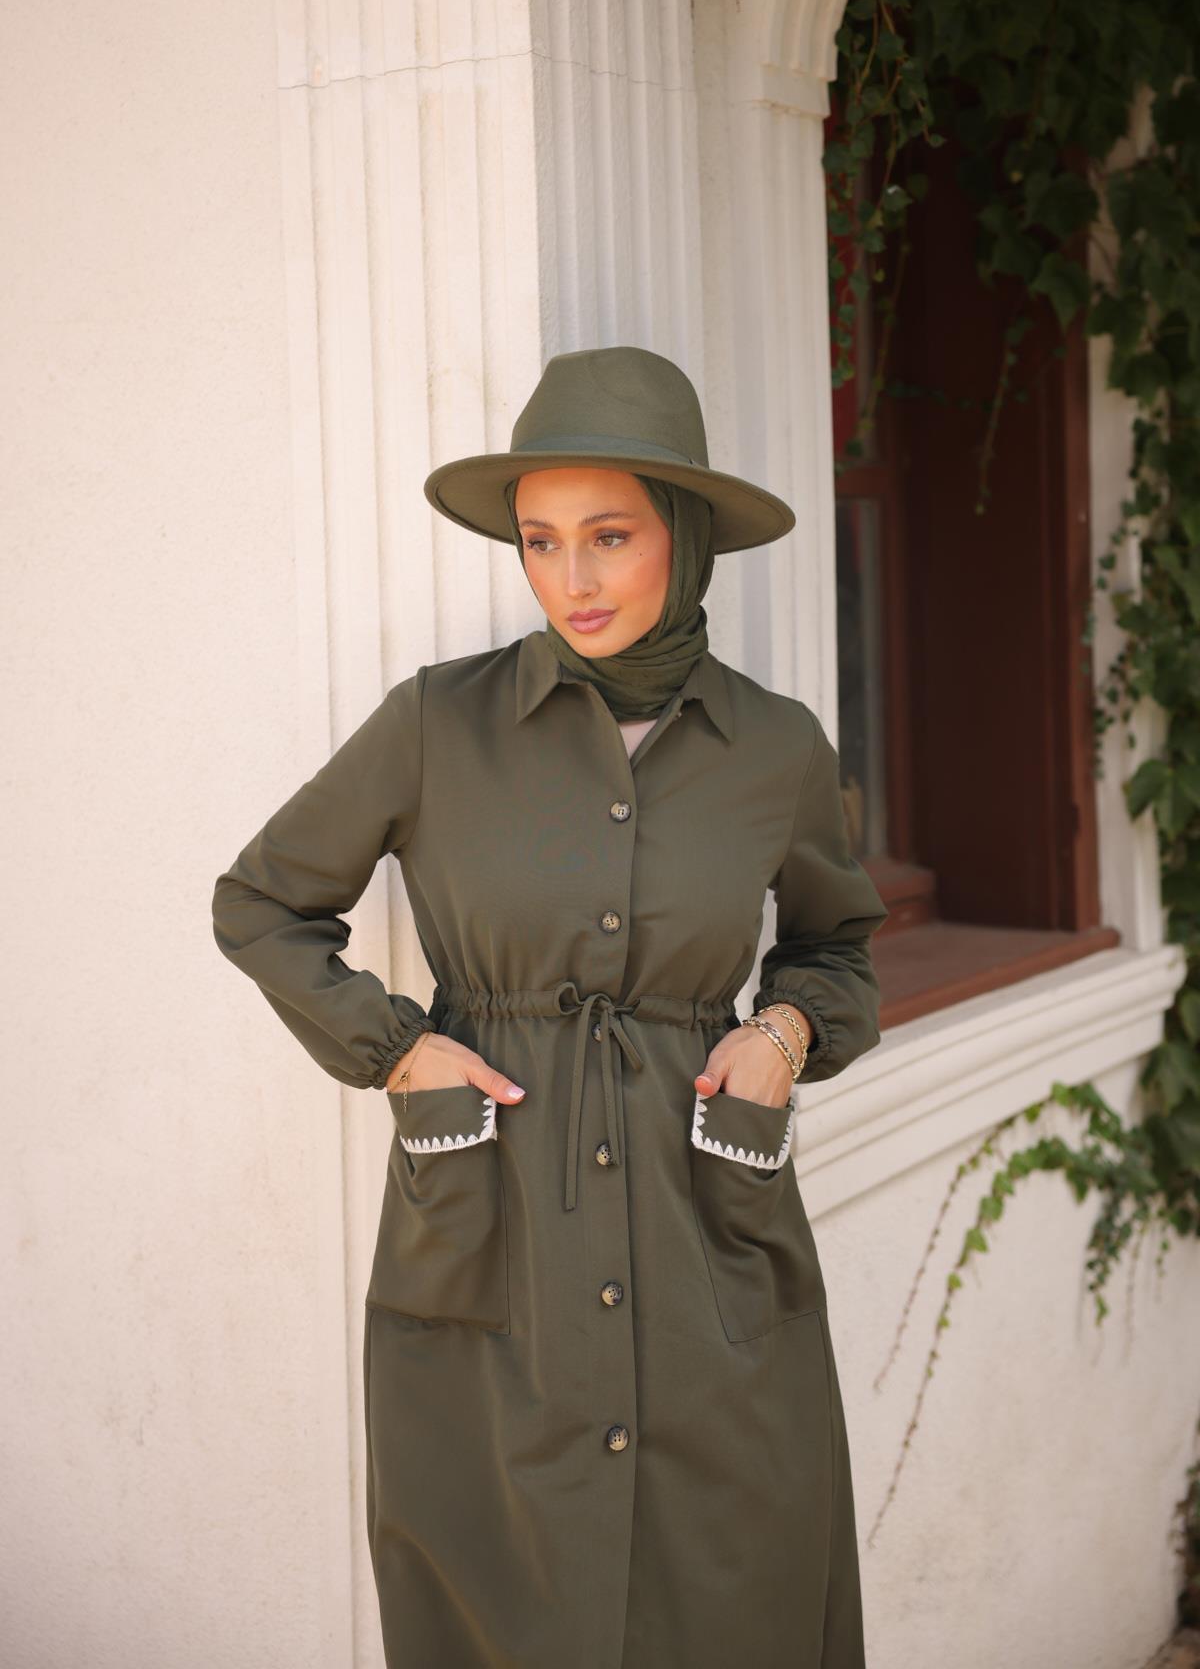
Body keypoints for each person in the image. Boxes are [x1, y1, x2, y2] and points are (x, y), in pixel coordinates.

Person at [211, 344, 890, 1669]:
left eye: (609, 536)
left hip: (710, 1240)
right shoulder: (437, 724)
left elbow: (838, 948)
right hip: (490, 1236)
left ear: (685, 536)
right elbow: (263, 903)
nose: (570, 578)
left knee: (733, 1593)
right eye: (540, 541)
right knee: (496, 1599)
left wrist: (783, 1035)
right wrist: (397, 1050)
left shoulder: (777, 748)